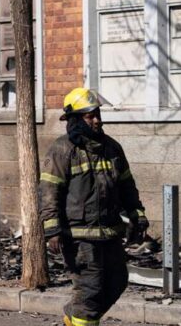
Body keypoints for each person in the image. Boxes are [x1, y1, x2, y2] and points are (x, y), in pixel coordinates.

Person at [39, 87, 149, 326]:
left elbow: (127, 186)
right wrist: (52, 230)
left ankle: (74, 317)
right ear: (76, 119)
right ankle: (79, 319)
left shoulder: (112, 148)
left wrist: (137, 215)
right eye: (90, 116)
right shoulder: (63, 150)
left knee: (117, 282)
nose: (97, 120)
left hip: (110, 232)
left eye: (98, 114)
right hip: (79, 236)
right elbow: (49, 192)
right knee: (90, 291)